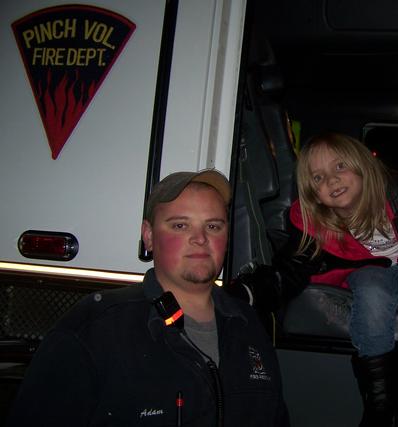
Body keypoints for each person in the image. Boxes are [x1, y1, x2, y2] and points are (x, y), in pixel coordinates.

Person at [8, 169, 289, 427]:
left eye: (213, 226)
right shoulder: (95, 330)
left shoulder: (249, 325)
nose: (200, 238)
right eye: (180, 226)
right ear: (149, 236)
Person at [273, 132, 398, 427]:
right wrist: (260, 287)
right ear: (313, 194)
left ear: (362, 166)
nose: (332, 181)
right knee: (372, 295)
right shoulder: (317, 223)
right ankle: (379, 408)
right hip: (368, 268)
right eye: (318, 178)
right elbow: (295, 263)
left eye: (340, 168)